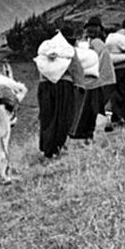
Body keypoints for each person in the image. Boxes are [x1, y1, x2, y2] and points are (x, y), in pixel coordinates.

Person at [35, 27, 84, 159]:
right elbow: (76, 69)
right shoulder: (69, 51)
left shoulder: (45, 51)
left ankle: (46, 148)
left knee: (47, 117)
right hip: (64, 86)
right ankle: (57, 147)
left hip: (44, 86)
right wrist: (80, 85)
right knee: (62, 117)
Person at [72, 17, 116, 141]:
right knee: (97, 108)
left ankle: (85, 135)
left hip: (94, 81)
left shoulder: (88, 44)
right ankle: (91, 134)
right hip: (106, 79)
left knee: (87, 110)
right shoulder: (100, 43)